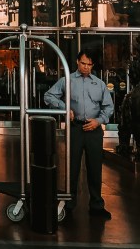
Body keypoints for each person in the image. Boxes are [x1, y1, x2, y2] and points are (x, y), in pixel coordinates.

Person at [44, 50, 115, 220]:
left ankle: (96, 205)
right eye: (83, 63)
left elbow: (108, 107)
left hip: (94, 130)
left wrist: (99, 121)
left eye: (89, 64)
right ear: (77, 62)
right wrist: (64, 107)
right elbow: (49, 96)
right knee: (72, 167)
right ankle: (68, 205)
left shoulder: (99, 84)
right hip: (75, 129)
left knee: (95, 168)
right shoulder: (67, 81)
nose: (86, 67)